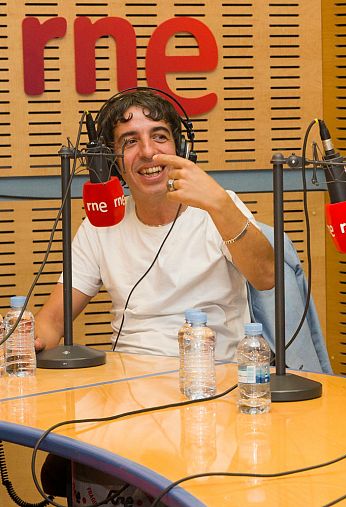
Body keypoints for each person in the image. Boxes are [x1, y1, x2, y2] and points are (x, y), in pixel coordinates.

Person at [34, 88, 275, 360]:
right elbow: (53, 321)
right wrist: (23, 345)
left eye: (159, 136)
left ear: (180, 149)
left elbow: (266, 277)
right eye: (130, 141)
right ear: (111, 160)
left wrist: (219, 204)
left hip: (210, 377)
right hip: (128, 382)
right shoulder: (101, 222)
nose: (148, 152)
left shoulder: (219, 205)